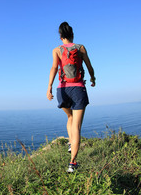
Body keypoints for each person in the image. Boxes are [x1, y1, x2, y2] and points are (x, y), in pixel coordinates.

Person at [46, 21, 96, 173]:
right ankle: (72, 163)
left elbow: (54, 68)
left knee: (69, 118)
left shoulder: (57, 50)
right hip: (78, 89)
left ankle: (70, 143)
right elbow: (89, 65)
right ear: (72, 35)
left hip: (62, 90)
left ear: (61, 37)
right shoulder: (80, 48)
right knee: (77, 127)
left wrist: (49, 88)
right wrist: (93, 78)